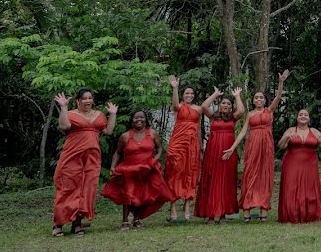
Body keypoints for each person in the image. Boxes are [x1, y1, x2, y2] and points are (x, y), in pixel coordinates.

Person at [224, 70, 289, 222]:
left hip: (266, 146)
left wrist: (281, 82)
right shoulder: (250, 114)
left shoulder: (270, 111)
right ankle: (247, 210)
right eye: (256, 97)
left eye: (261, 97)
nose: (259, 99)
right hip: (253, 145)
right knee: (250, 174)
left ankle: (263, 210)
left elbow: (278, 97)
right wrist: (233, 147)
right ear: (253, 101)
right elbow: (242, 132)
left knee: (264, 175)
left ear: (264, 100)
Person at [51, 89, 117, 237]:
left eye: (90, 98)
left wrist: (112, 114)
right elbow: (64, 126)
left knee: (87, 190)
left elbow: (108, 131)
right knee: (67, 188)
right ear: (78, 101)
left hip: (92, 159)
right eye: (84, 99)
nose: (88, 101)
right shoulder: (71, 114)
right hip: (72, 157)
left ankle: (77, 223)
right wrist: (63, 107)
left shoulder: (99, 115)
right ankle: (58, 223)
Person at [102, 110, 174, 229]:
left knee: (149, 195)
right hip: (129, 170)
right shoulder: (125, 136)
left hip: (148, 169)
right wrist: (113, 166)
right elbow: (118, 153)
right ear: (131, 120)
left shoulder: (152, 133)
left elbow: (159, 148)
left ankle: (137, 218)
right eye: (136, 118)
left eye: (142, 117)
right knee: (128, 194)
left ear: (146, 119)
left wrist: (155, 159)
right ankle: (125, 221)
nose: (139, 120)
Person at [195, 87, 244, 224]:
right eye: (223, 103)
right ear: (219, 105)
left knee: (226, 181)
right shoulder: (213, 116)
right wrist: (215, 94)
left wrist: (237, 96)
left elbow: (241, 110)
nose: (226, 105)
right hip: (213, 152)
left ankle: (223, 214)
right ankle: (211, 214)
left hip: (228, 152)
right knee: (212, 180)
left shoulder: (233, 118)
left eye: (228, 104)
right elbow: (204, 106)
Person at [277, 109, 321, 224]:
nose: (303, 116)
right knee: (291, 186)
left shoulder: (314, 131)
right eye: (300, 114)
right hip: (292, 163)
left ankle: (309, 213)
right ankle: (291, 213)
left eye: (306, 115)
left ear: (309, 118)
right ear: (297, 118)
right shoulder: (291, 130)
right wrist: (287, 137)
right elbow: (281, 145)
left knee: (309, 187)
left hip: (310, 164)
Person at [164, 76, 202, 222]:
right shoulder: (179, 107)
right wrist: (174, 88)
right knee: (174, 173)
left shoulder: (198, 109)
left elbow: (198, 129)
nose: (189, 96)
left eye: (191, 94)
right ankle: (172, 207)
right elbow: (174, 105)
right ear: (183, 95)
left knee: (190, 174)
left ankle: (187, 206)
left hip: (192, 145)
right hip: (178, 143)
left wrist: (200, 146)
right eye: (186, 93)